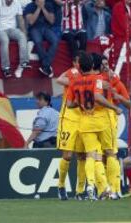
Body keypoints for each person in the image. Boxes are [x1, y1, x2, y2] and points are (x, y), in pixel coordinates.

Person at [66, 53, 123, 200]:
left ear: (79, 67)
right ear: (92, 65)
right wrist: (114, 108)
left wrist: (81, 101)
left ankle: (91, 185)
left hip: (85, 121)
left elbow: (70, 104)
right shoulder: (97, 79)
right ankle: (114, 189)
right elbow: (98, 97)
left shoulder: (74, 82)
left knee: (91, 155)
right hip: (102, 121)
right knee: (110, 153)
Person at [100, 54, 131, 199]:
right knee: (98, 156)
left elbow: (129, 104)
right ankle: (104, 188)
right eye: (102, 64)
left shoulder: (116, 82)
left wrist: (117, 96)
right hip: (94, 120)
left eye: (107, 63)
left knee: (110, 154)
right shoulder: (96, 81)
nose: (105, 66)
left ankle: (115, 188)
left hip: (110, 120)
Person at [55, 54, 84, 200]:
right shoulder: (73, 72)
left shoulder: (89, 74)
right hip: (68, 119)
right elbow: (59, 79)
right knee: (67, 155)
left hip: (83, 119)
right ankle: (61, 186)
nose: (80, 65)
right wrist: (73, 81)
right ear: (74, 63)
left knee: (82, 155)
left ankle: (80, 191)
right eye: (78, 62)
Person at [0, 0, 30, 78]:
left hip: (12, 28)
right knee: (5, 40)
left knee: (22, 36)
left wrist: (24, 33)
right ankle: (6, 68)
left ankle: (24, 62)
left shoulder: (17, 3)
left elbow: (20, 19)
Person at [24, 0, 58, 77]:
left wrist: (43, 8)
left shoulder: (48, 5)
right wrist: (38, 8)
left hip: (46, 28)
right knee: (38, 42)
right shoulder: (29, 6)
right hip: (34, 28)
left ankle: (45, 65)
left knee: (55, 40)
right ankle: (46, 66)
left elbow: (51, 21)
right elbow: (31, 21)